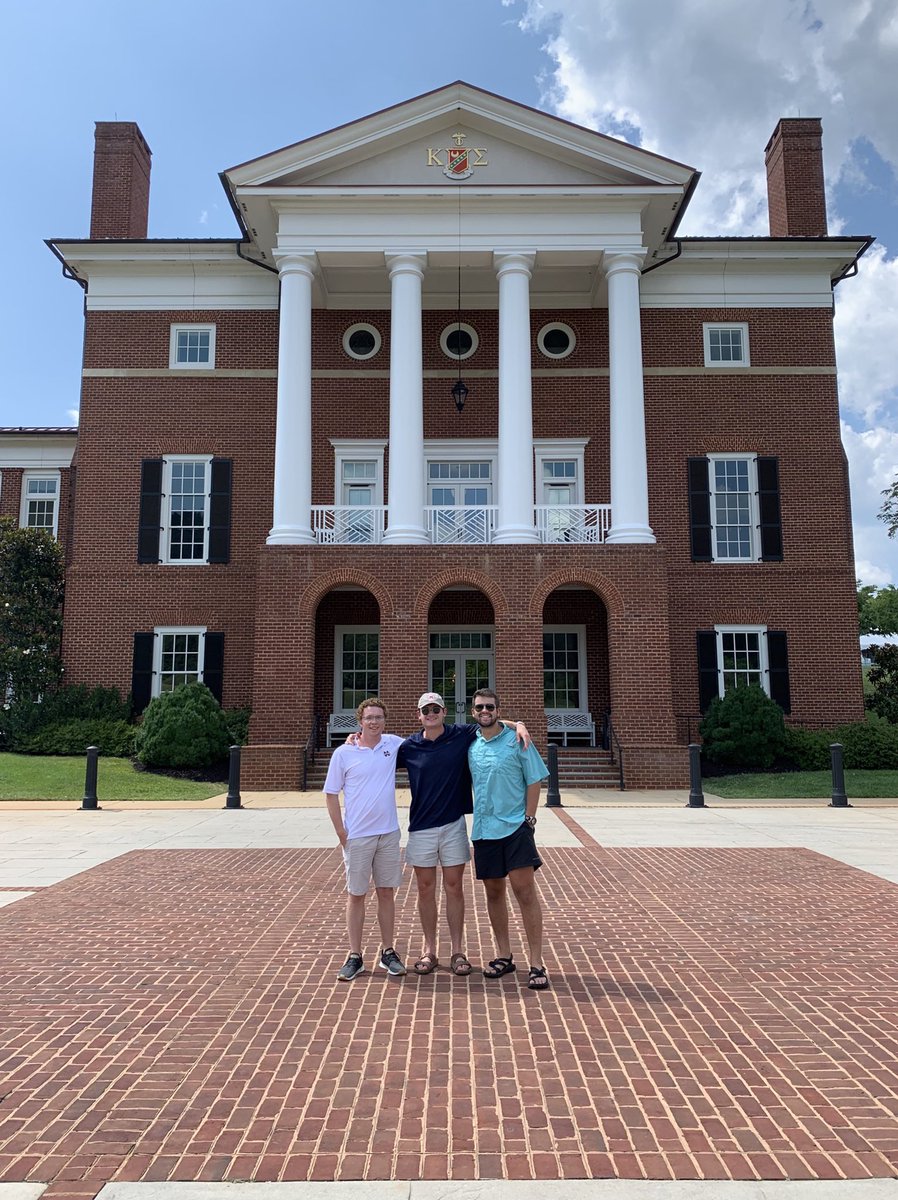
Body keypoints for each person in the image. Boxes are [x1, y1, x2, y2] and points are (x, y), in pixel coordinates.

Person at [397, 693, 530, 978]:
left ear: (444, 712)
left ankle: (458, 950)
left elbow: (490, 721)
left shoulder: (461, 734)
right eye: (425, 710)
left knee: (455, 887)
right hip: (420, 826)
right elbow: (377, 751)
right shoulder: (407, 747)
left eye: (435, 709)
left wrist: (518, 724)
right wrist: (354, 740)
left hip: (453, 823)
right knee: (424, 889)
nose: (430, 714)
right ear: (418, 715)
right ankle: (429, 949)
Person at [467, 687, 551, 990]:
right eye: (479, 708)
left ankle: (536, 962)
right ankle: (504, 955)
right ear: (472, 712)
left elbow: (535, 779)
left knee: (524, 892)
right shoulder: (470, 742)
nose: (484, 711)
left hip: (516, 827)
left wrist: (529, 819)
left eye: (489, 706)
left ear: (498, 710)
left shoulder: (518, 741)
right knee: (493, 893)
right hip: (484, 830)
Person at [324, 697, 407, 982]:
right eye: (369, 717)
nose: (374, 722)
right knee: (356, 894)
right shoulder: (343, 754)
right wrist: (341, 834)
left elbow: (430, 740)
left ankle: (388, 951)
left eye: (379, 717)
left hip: (388, 834)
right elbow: (331, 794)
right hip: (357, 836)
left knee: (386, 893)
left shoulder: (393, 745)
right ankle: (355, 955)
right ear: (360, 721)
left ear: (385, 720)